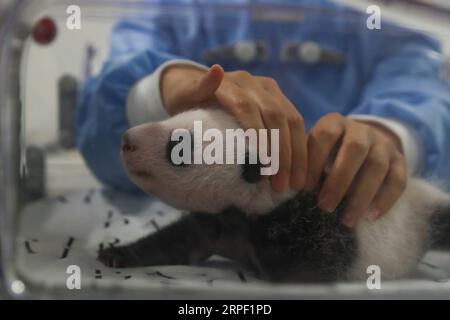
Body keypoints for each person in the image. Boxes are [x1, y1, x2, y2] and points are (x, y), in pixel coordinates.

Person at [76, 0, 450, 227]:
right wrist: (164, 87)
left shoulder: (383, 15)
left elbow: (422, 88)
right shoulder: (171, 9)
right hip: (182, 230)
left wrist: (390, 136)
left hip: (338, 228)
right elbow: (101, 120)